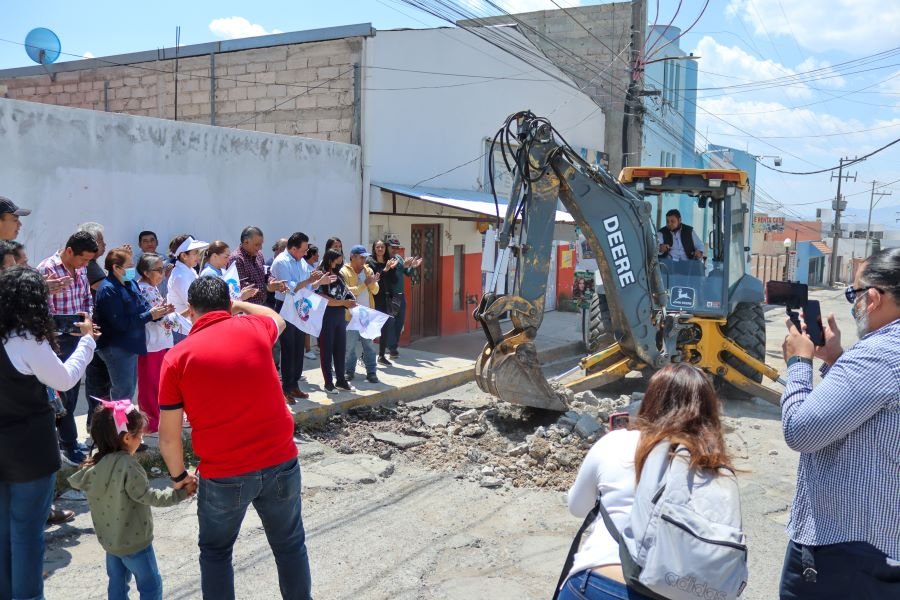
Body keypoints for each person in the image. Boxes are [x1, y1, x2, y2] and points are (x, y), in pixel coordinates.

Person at [158, 277, 312, 600]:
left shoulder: (177, 357)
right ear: (227, 306)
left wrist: (179, 477)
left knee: (216, 553)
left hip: (224, 474)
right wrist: (239, 305)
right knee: (289, 544)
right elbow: (278, 319)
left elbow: (169, 437)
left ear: (190, 312)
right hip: (280, 461)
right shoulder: (255, 330)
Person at [778, 247, 900, 599]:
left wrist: (799, 363)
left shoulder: (879, 354)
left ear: (873, 297)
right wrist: (836, 362)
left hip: (844, 551)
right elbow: (865, 411)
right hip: (882, 544)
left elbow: (800, 431)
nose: (853, 304)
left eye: (854, 294)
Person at [562, 363, 734, 600]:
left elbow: (577, 507)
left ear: (650, 400)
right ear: (709, 411)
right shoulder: (715, 469)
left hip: (597, 584)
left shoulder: (616, 442)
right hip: (673, 592)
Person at [0, 266, 98, 600]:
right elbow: (65, 379)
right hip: (29, 451)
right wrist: (86, 341)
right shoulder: (26, 341)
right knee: (27, 533)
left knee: (3, 532)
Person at [69, 401, 193, 600]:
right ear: (127, 437)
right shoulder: (128, 466)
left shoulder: (95, 463)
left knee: (117, 584)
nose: (142, 439)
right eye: (140, 435)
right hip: (135, 543)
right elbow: (150, 497)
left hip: (111, 542)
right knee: (150, 585)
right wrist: (180, 493)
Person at [37, 231, 99, 465]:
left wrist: (88, 322)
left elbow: (86, 299)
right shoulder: (47, 269)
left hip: (77, 338)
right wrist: (69, 326)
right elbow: (42, 312)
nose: (85, 265)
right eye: (82, 259)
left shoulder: (81, 269)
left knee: (71, 395)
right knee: (63, 395)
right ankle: (68, 444)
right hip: (57, 340)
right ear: (70, 251)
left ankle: (66, 442)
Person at [94, 247, 174, 402]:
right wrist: (150, 315)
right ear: (116, 268)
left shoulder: (130, 283)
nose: (132, 270)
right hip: (116, 346)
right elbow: (120, 323)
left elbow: (143, 307)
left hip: (131, 345)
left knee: (128, 391)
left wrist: (159, 313)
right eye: (128, 266)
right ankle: (119, 426)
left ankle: (124, 424)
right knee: (122, 393)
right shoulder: (108, 289)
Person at [271, 232, 331, 403]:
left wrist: (319, 281)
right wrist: (309, 281)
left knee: (298, 347)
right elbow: (290, 288)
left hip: (300, 306)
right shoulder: (282, 261)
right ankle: (286, 387)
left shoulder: (300, 261)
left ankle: (294, 384)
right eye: (303, 250)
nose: (305, 254)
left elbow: (308, 283)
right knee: (288, 348)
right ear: (293, 248)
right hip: (285, 307)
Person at [136, 253, 176, 434]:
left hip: (160, 341)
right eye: (158, 270)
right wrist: (170, 315)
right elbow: (156, 316)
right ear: (146, 272)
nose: (162, 273)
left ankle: (156, 417)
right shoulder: (144, 289)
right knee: (150, 383)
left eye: (162, 269)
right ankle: (150, 420)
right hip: (152, 343)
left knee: (158, 382)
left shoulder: (152, 288)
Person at [78, 221, 112, 429]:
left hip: (96, 329)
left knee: (99, 380)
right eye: (100, 240)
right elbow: (103, 287)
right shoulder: (89, 266)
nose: (104, 244)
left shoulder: (92, 265)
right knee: (98, 380)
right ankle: (96, 423)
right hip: (95, 331)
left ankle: (96, 422)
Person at [316, 249, 357, 392]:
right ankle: (328, 383)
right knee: (326, 350)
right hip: (326, 316)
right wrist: (342, 303)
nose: (340, 262)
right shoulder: (321, 275)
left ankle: (341, 380)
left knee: (340, 348)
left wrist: (350, 300)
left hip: (340, 315)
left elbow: (345, 293)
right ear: (330, 259)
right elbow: (323, 299)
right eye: (337, 259)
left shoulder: (338, 275)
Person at [341, 245, 381, 384]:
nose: (364, 260)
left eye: (365, 257)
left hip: (366, 314)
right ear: (353, 256)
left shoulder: (368, 270)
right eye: (361, 257)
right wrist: (365, 283)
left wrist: (372, 283)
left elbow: (375, 291)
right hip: (350, 316)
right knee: (349, 346)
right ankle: (349, 371)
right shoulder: (344, 272)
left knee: (369, 345)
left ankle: (371, 372)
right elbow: (349, 292)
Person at [228, 226, 287, 306]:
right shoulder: (236, 259)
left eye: (261, 244)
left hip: (261, 305)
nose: (260, 248)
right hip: (245, 309)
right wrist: (267, 287)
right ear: (246, 242)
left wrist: (272, 281)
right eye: (257, 245)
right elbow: (242, 287)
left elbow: (266, 273)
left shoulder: (259, 255)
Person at [167, 235, 209, 343]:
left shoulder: (189, 270)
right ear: (184, 256)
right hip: (181, 329)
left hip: (187, 326)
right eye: (195, 253)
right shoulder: (180, 276)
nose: (198, 256)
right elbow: (193, 303)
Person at [385, 239, 422, 358]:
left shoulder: (399, 258)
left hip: (401, 295)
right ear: (387, 247)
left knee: (400, 322)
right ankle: (392, 348)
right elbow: (392, 274)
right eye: (392, 247)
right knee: (391, 322)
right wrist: (403, 267)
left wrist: (413, 266)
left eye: (397, 247)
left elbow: (407, 273)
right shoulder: (386, 260)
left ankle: (393, 346)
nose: (395, 250)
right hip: (390, 295)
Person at [367, 240, 399, 366]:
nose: (380, 249)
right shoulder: (370, 262)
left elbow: (394, 280)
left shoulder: (389, 261)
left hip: (386, 298)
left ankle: (381, 355)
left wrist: (393, 269)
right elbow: (376, 280)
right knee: (372, 327)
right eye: (377, 247)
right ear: (374, 248)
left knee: (385, 327)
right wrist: (385, 270)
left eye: (382, 247)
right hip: (375, 298)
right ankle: (367, 355)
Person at [303, 245, 320, 359]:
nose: (318, 256)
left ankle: (318, 346)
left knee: (315, 323)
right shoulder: (306, 267)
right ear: (312, 255)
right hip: (306, 299)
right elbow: (309, 285)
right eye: (317, 253)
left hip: (314, 298)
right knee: (307, 325)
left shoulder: (313, 266)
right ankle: (307, 349)